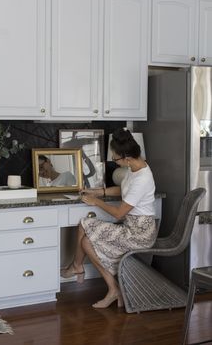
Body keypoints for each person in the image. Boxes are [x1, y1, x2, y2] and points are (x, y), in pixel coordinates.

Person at [61, 128, 157, 309]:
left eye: (115, 159)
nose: (114, 161)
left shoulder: (142, 178)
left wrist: (95, 201)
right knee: (86, 234)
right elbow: (124, 189)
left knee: (86, 237)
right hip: (132, 227)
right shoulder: (135, 168)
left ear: (126, 157)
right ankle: (107, 285)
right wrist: (98, 191)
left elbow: (119, 213)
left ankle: (79, 268)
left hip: (140, 234)